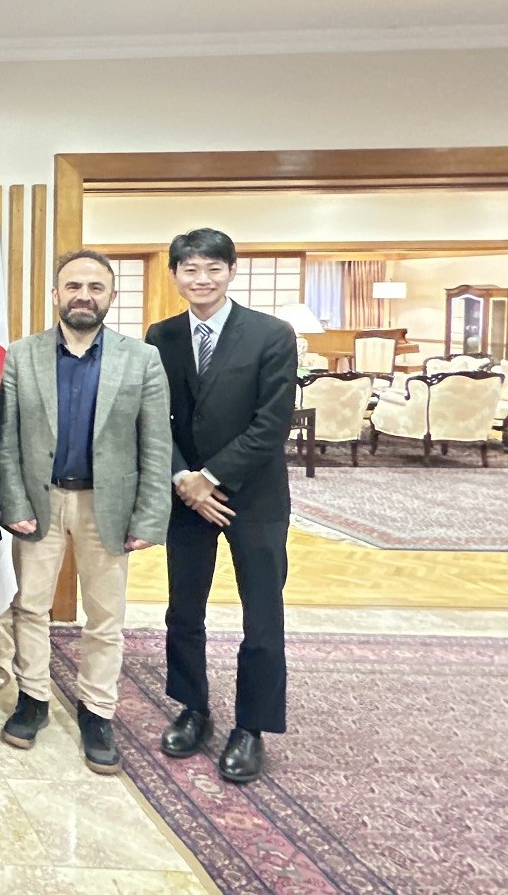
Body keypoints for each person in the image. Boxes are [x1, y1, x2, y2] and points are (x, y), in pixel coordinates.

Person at [0, 250, 172, 774]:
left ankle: (97, 710)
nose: (84, 296)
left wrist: (149, 517)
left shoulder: (142, 359)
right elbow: (6, 440)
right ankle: (33, 699)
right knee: (31, 607)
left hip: (107, 505)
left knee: (105, 617)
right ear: (56, 295)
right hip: (40, 501)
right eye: (73, 286)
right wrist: (14, 501)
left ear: (110, 296)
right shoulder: (22, 355)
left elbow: (156, 444)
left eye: (96, 287)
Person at [144, 228, 295, 784]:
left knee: (262, 614)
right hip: (185, 495)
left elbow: (272, 422)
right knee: (184, 610)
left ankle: (252, 727)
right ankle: (193, 708)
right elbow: (153, 416)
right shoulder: (160, 336)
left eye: (212, 268)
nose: (201, 279)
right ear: (175, 275)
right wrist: (184, 478)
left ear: (232, 270)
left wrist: (210, 477)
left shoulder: (271, 334)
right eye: (190, 269)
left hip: (254, 497)